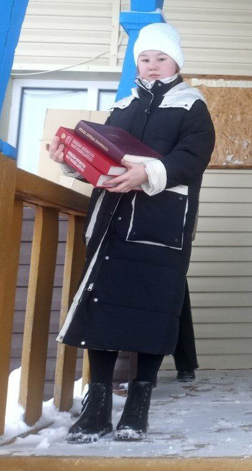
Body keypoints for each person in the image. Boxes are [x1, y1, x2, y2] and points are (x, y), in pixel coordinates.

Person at [47, 22, 215, 442]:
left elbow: (192, 158)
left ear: (177, 61)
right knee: (103, 307)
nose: (153, 65)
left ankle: (139, 404)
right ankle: (98, 405)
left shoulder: (192, 106)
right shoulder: (122, 107)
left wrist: (147, 172)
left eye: (161, 58)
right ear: (136, 63)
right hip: (111, 223)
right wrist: (68, 157)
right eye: (145, 58)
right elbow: (100, 160)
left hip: (160, 225)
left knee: (153, 310)